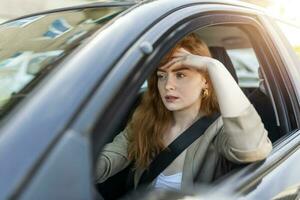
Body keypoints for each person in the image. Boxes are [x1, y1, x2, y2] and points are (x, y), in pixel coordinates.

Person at [95, 33, 272, 192]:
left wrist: (213, 65)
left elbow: (253, 149)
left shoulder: (220, 129)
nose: (167, 85)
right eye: (162, 75)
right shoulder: (146, 119)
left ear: (205, 81)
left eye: (180, 75)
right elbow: (108, 160)